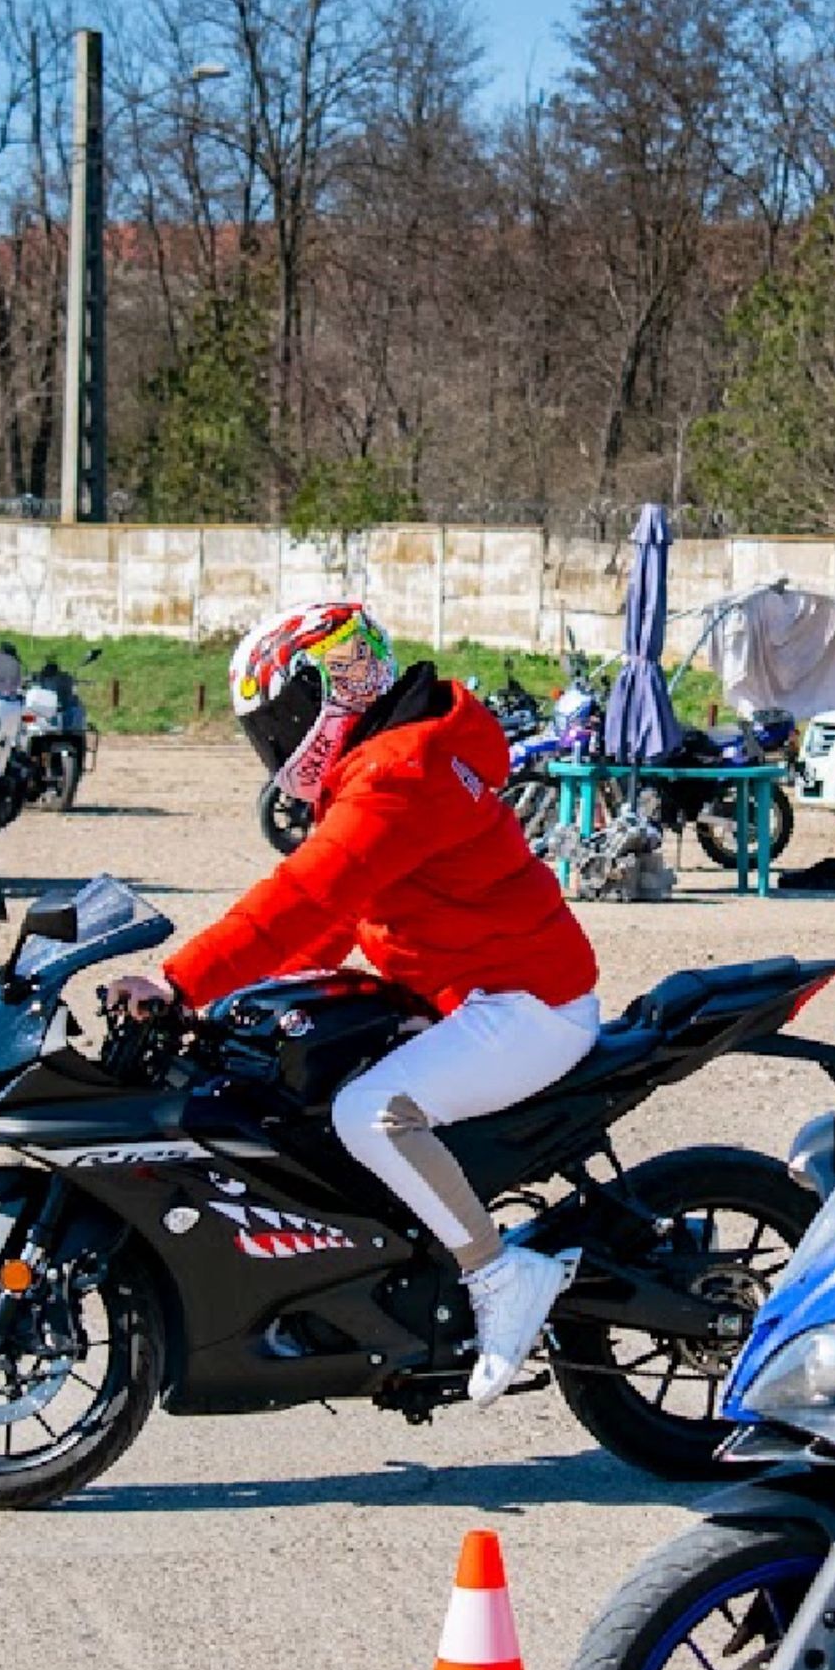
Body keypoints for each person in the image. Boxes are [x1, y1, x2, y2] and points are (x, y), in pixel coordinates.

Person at [111, 602, 600, 1406]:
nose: (275, 743)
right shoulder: (397, 757)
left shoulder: (399, 773)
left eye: (279, 720)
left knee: (371, 1113)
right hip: (473, 991)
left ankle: (497, 1272)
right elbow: (335, 920)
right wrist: (226, 1005)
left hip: (523, 1006)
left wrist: (180, 983)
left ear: (327, 692)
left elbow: (307, 895)